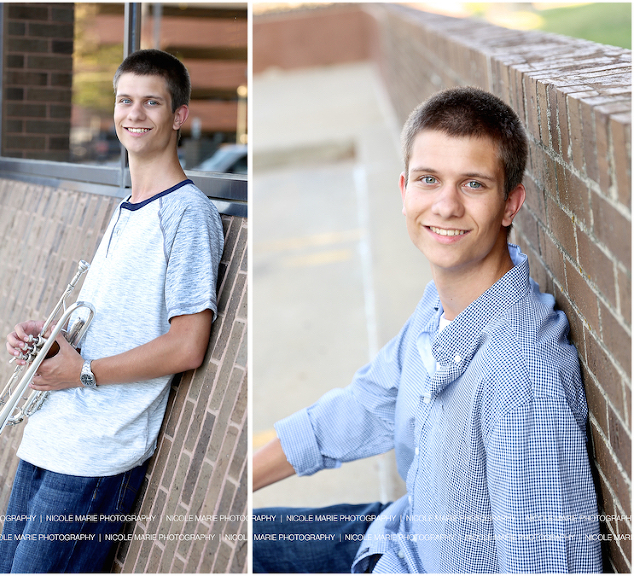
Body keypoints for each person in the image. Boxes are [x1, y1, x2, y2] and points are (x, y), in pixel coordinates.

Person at [252, 86, 602, 573]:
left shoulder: (523, 379)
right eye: (429, 180)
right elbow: (369, 404)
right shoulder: (441, 305)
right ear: (404, 191)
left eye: (474, 184)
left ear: (510, 203)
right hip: (399, 532)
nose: (445, 206)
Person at [0, 49, 224, 573]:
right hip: (51, 439)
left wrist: (85, 371)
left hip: (98, 456)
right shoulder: (125, 207)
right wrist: (52, 344)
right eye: (125, 101)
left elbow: (188, 344)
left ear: (179, 116)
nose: (134, 114)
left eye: (151, 102)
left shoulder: (188, 215)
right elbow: (113, 323)